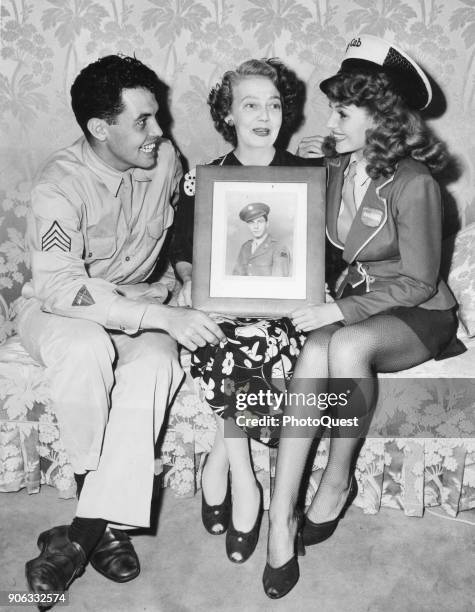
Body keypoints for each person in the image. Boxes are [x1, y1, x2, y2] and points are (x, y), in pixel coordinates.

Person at [263, 34, 465, 599]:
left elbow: (420, 280)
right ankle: (280, 518)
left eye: (341, 110)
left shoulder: (416, 183)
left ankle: (337, 479)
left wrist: (338, 308)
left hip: (419, 313)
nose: (330, 119)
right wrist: (307, 166)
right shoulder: (336, 167)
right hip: (357, 300)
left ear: (381, 117)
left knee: (346, 346)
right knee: (314, 349)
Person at [17, 55, 224, 601]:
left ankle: (82, 534)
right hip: (61, 309)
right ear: (99, 128)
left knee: (158, 362)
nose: (160, 131)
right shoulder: (58, 186)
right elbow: (62, 287)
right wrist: (160, 316)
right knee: (86, 347)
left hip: (142, 300)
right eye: (143, 121)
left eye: (157, 117)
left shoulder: (166, 160)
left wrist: (182, 275)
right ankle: (100, 514)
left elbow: (184, 229)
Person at [171, 58, 322, 565]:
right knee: (215, 336)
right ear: (228, 114)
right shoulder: (206, 180)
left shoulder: (309, 176)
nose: (265, 114)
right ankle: (244, 478)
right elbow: (184, 250)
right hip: (225, 310)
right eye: (250, 104)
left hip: (288, 315)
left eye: (274, 104)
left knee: (251, 344)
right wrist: (194, 282)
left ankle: (220, 459)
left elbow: (330, 257)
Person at [232, 202, 291, 276]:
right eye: (251, 222)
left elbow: (279, 283)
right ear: (248, 226)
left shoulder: (279, 248)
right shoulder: (245, 247)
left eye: (259, 222)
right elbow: (236, 277)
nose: (255, 226)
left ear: (267, 224)